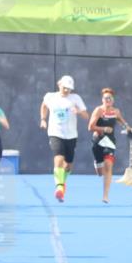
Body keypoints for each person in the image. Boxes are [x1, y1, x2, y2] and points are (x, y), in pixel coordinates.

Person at [39, 75, 90, 203]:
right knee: (59, 159)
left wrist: (78, 111)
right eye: (65, 87)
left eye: (69, 89)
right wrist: (43, 119)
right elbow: (44, 106)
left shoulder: (75, 98)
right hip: (55, 133)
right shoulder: (50, 96)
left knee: (68, 165)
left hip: (71, 135)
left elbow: (86, 115)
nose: (67, 90)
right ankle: (59, 188)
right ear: (59, 84)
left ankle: (62, 182)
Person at [88, 88, 132, 204]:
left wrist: (127, 128)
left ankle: (105, 196)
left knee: (108, 165)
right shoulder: (98, 110)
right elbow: (90, 127)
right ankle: (97, 163)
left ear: (113, 100)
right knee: (100, 172)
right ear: (102, 100)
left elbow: (122, 121)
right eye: (105, 98)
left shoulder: (116, 111)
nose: (107, 100)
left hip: (109, 142)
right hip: (97, 141)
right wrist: (103, 128)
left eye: (110, 98)